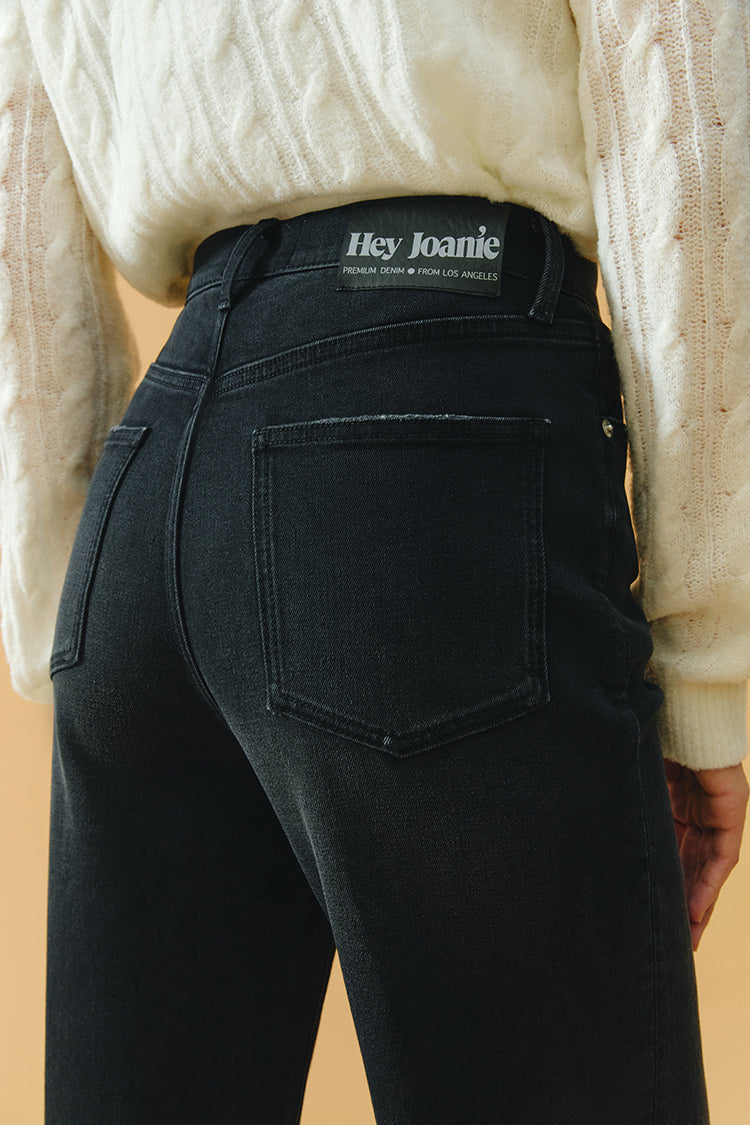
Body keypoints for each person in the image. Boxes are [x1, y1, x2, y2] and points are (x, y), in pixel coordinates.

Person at [1, 0, 748, 1122]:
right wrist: (705, 662)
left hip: (149, 500)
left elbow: (17, 179)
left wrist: (65, 609)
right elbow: (681, 84)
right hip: (432, 422)